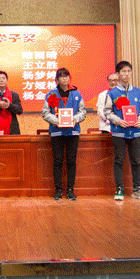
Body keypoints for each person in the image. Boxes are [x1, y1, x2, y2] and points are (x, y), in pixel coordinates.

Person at [104, 61, 140, 200]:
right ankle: (119, 189)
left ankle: (137, 189)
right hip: (119, 132)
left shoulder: (138, 92)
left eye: (129, 71)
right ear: (118, 74)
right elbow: (107, 112)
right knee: (119, 160)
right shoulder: (112, 93)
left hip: (135, 132)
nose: (126, 74)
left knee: (136, 161)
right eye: (123, 71)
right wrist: (118, 121)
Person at [42, 68, 87, 200]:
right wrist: (58, 121)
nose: (64, 79)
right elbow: (45, 113)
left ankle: (70, 190)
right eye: (61, 77)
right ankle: (58, 190)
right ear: (56, 80)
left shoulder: (76, 94)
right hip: (57, 132)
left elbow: (83, 112)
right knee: (58, 161)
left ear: (69, 78)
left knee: (71, 161)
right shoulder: (51, 94)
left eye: (66, 76)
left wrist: (74, 119)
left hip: (73, 132)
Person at [0, 71, 23, 135]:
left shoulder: (14, 95)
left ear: (7, 81)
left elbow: (20, 110)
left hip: (12, 129)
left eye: (3, 78)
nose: (1, 80)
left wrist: (9, 105)